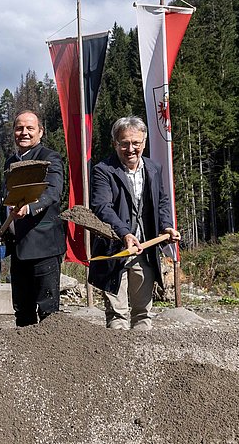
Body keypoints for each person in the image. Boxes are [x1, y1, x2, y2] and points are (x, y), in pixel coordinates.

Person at [89, 116, 181, 331]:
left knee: (143, 313)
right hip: (115, 251)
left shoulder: (153, 168)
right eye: (124, 143)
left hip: (145, 251)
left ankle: (142, 359)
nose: (130, 148)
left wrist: (166, 225)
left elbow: (162, 202)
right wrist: (124, 234)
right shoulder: (103, 170)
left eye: (136, 143)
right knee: (117, 315)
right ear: (115, 143)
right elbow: (102, 207)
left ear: (144, 142)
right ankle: (118, 360)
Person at [0, 110, 66, 326]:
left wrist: (31, 207)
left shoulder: (49, 158)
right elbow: (8, 200)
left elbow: (53, 191)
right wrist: (1, 228)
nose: (24, 133)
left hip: (43, 247)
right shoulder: (11, 162)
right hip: (18, 249)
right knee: (22, 311)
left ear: (40, 132)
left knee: (48, 311)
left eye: (30, 128)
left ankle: (49, 357)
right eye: (19, 128)